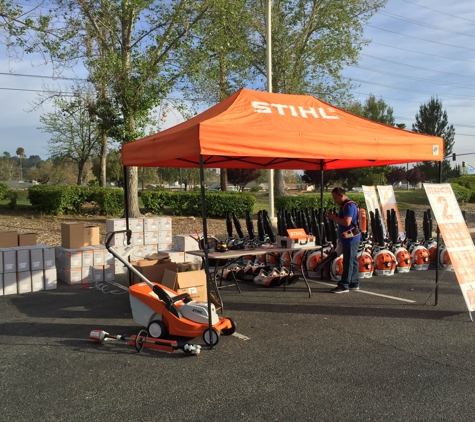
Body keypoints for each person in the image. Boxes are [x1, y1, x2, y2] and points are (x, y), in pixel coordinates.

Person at [326, 187, 361, 293]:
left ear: (341, 195)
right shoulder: (346, 205)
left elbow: (347, 222)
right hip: (350, 238)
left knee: (348, 262)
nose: (334, 201)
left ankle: (344, 285)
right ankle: (354, 283)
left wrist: (334, 218)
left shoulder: (348, 205)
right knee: (352, 261)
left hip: (351, 238)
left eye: (335, 198)